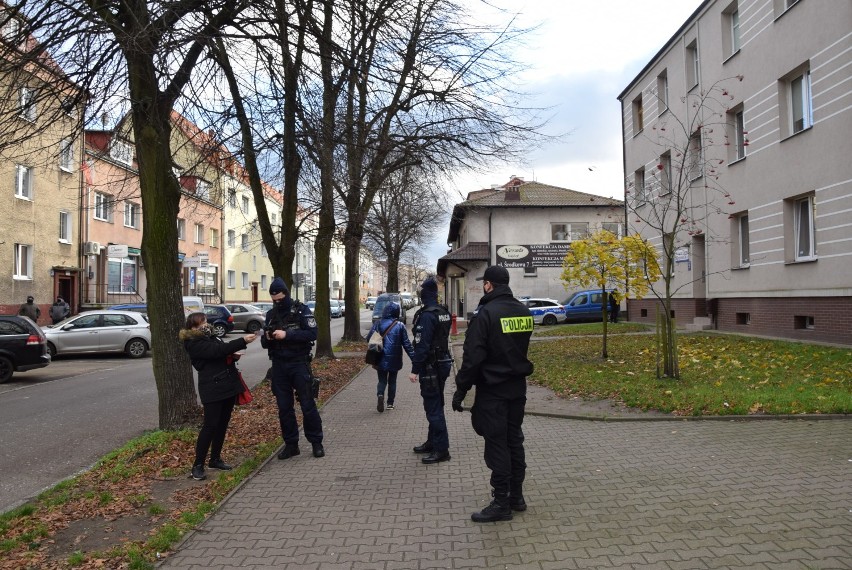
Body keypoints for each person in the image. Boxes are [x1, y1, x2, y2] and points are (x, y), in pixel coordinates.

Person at [452, 265, 534, 523]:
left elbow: (473, 358)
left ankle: (501, 502)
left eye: (484, 283)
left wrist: (461, 388)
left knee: (497, 444)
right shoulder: (523, 311)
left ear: (489, 285)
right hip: (517, 389)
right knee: (514, 440)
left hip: (493, 392)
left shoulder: (486, 315)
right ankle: (516, 496)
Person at [180, 311, 257, 481]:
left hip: (227, 385)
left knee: (222, 424)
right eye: (199, 323)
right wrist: (242, 341)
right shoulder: (193, 342)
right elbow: (217, 351)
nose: (204, 324)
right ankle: (197, 465)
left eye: (205, 321)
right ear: (192, 327)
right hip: (212, 388)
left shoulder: (211, 336)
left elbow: (221, 351)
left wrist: (232, 354)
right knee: (210, 426)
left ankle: (215, 459)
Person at [261, 277, 325, 459]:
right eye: (274, 300)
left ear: (286, 294)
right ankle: (291, 444)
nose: (277, 302)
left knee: (307, 404)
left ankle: (316, 442)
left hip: (299, 364)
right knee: (284, 408)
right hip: (279, 366)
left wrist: (287, 334)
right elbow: (264, 343)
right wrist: (268, 337)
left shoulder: (301, 310)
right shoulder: (271, 315)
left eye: (280, 299)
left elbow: (312, 333)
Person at [408, 277, 452, 464]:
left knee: (433, 408)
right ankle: (432, 442)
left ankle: (441, 450)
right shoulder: (443, 312)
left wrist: (414, 370)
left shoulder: (427, 315)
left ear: (425, 293)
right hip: (442, 362)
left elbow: (422, 345)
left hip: (431, 366)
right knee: (436, 404)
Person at [367, 301, 414, 412]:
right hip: (395, 358)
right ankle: (390, 403)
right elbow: (407, 344)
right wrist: (414, 358)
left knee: (382, 380)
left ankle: (380, 395)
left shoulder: (378, 323)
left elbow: (369, 338)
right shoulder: (400, 326)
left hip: (379, 356)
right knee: (392, 381)